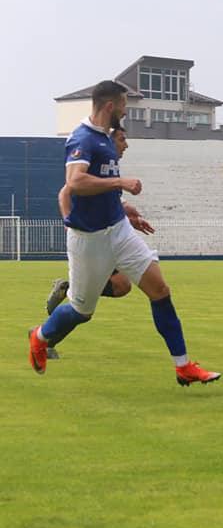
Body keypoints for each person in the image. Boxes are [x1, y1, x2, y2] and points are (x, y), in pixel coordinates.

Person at [27, 80, 221, 386]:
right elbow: (75, 183)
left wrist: (125, 209)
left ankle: (183, 367)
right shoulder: (83, 138)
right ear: (109, 106)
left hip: (118, 231)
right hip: (89, 241)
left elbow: (100, 187)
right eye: (124, 106)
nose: (125, 111)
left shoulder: (106, 139)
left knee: (160, 291)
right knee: (81, 311)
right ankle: (40, 336)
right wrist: (120, 183)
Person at [42, 126, 147, 359]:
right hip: (91, 239)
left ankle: (68, 290)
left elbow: (111, 205)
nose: (125, 145)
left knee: (121, 287)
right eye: (121, 140)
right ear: (109, 142)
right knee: (84, 308)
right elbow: (65, 192)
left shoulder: (109, 168)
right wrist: (70, 219)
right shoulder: (94, 164)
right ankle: (46, 341)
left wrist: (130, 214)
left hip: (108, 238)